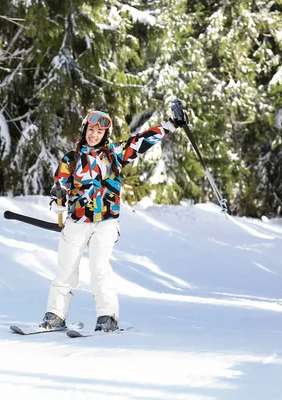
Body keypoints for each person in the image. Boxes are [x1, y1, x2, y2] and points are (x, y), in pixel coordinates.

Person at [40, 100, 188, 332]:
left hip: (106, 222)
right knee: (66, 268)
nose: (93, 135)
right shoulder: (71, 159)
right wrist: (58, 197)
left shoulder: (116, 154)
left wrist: (172, 124)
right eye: (90, 130)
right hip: (77, 221)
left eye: (99, 131)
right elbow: (61, 188)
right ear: (84, 130)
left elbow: (142, 140)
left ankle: (107, 316)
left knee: (99, 268)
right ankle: (55, 315)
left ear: (105, 134)